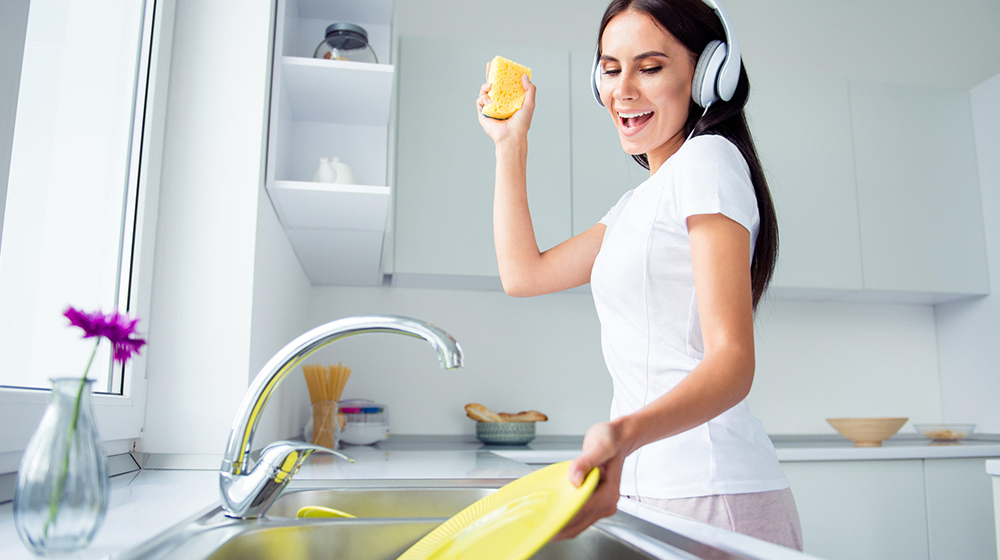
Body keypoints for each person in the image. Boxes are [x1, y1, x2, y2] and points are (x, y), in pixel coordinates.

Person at [476, 0, 803, 551]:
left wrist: (622, 437)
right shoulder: (635, 205)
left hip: (710, 489)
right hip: (645, 486)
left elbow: (732, 361)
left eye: (650, 68)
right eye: (610, 68)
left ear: (707, 75)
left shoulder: (708, 162)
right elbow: (523, 275)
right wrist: (511, 144)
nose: (623, 90)